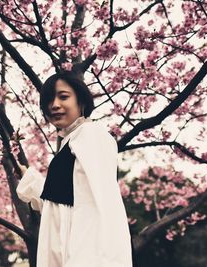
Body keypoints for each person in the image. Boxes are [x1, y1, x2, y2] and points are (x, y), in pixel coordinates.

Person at [16, 71, 133, 267]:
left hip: (83, 255)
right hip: (64, 250)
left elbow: (97, 205)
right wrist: (28, 177)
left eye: (63, 96)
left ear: (82, 101)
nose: (54, 105)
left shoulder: (91, 135)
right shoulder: (73, 139)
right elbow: (61, 202)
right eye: (49, 100)